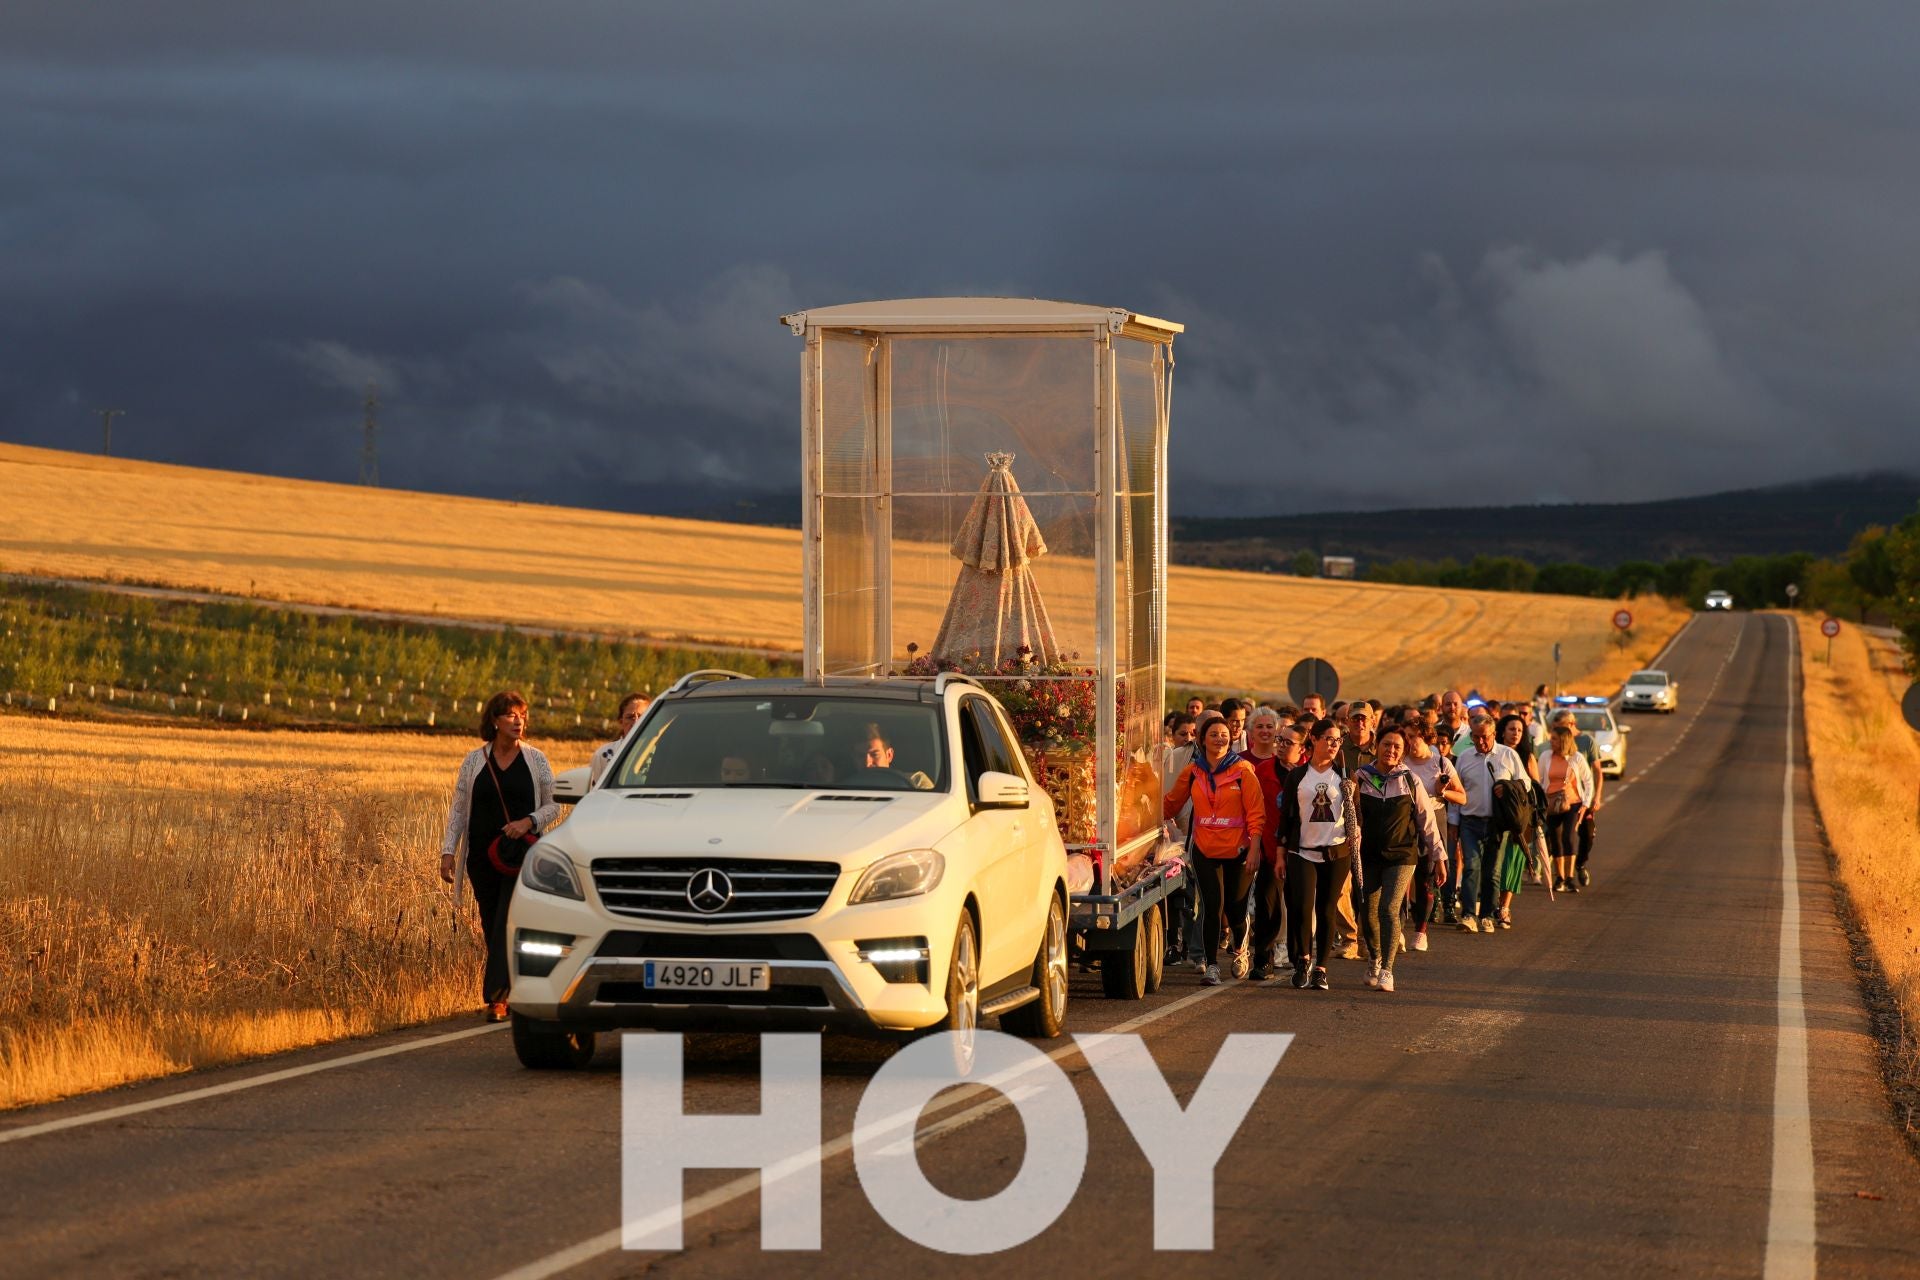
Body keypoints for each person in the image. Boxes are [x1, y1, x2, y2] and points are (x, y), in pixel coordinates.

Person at [440, 691, 560, 1022]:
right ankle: (511, 989)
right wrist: (448, 851)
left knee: (507, 921)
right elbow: (459, 809)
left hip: (519, 857)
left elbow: (554, 805)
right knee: (491, 922)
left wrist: (528, 822)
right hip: (481, 858)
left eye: (522, 714)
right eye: (510, 715)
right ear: (494, 720)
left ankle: (497, 999)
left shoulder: (536, 760)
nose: (518, 720)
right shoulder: (474, 761)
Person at [1163, 716, 1266, 985]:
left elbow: (1257, 814)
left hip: (1239, 851)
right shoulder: (1193, 771)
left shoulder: (1243, 771)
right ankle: (1211, 966)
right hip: (1204, 849)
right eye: (1214, 734)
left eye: (1224, 734)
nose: (1220, 738)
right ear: (1202, 739)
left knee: (1234, 909)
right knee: (1211, 906)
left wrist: (1254, 849)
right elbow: (1171, 804)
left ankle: (1241, 950)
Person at [1353, 729, 1448, 992]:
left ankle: (1387, 970)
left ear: (1403, 751)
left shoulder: (1411, 780)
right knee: (1367, 911)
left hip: (1403, 855)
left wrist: (1439, 857)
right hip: (1368, 855)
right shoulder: (1360, 778)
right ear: (1376, 747)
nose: (1391, 750)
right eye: (1386, 745)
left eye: (1397, 747)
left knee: (1389, 908)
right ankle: (1375, 958)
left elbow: (1427, 822)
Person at [1277, 719, 1363, 991]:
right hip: (1302, 851)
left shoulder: (1345, 777)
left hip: (1336, 852)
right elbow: (1287, 817)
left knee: (1326, 910)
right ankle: (1303, 960)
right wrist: (1281, 854)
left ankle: (1321, 969)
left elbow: (1356, 814)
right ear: (1313, 740)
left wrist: (1356, 830)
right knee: (1301, 908)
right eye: (1328, 738)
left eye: (1338, 740)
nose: (1333, 745)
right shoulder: (1298, 776)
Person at [1452, 715, 1529, 934]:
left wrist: (1508, 787)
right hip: (1469, 821)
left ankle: (1486, 915)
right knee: (1471, 867)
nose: (1480, 742)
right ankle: (1468, 915)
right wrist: (1453, 823)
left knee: (1492, 872)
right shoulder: (1465, 757)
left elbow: (1526, 785)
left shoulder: (1508, 755)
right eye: (1475, 737)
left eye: (1484, 737)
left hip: (1497, 823)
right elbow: (1457, 793)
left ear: (1494, 734)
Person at [1242, 709, 1297, 981]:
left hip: (1300, 850)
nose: (1282, 745)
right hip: (1268, 848)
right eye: (1281, 741)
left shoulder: (1310, 773)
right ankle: (1263, 959)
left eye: (1288, 742)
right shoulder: (1261, 770)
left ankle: (1301, 959)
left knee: (1299, 905)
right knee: (1267, 905)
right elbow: (1255, 811)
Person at [1402, 720, 1465, 952]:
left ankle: (1420, 931)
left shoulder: (1441, 762)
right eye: (1407, 736)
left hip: (1433, 819)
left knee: (1426, 879)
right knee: (1400, 877)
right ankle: (1398, 929)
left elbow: (1463, 797)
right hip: (1405, 821)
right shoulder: (1401, 761)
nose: (1409, 741)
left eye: (1413, 736)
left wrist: (1443, 791)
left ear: (1427, 738)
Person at [1537, 723, 1596, 892]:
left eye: (1554, 738)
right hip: (1552, 803)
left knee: (1568, 838)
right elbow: (1540, 779)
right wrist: (1542, 799)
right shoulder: (1546, 756)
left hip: (1573, 803)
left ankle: (1570, 878)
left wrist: (1585, 803)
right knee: (1555, 839)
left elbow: (1588, 781)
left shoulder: (1576, 758)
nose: (1551, 741)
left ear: (1563, 741)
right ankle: (1560, 878)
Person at [1550, 708, 1606, 886]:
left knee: (1587, 834)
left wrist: (1596, 797)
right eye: (1556, 728)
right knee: (1564, 836)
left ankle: (1580, 864)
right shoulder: (1555, 743)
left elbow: (1597, 772)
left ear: (1572, 724)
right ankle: (1563, 875)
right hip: (1561, 800)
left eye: (1562, 727)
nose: (1559, 732)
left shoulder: (1586, 741)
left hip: (1584, 797)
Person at [588, 692, 649, 787]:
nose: (636, 722)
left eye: (642, 716)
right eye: (630, 717)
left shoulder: (663, 753)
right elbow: (592, 793)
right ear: (621, 722)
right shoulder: (603, 755)